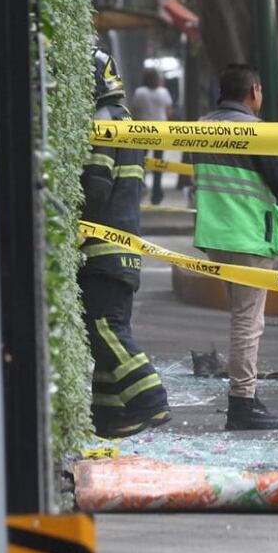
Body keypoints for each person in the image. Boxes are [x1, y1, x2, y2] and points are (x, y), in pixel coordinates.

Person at [193, 64, 278, 430]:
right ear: (253, 91)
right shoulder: (255, 131)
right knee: (247, 322)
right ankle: (243, 403)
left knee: (243, 317)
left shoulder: (201, 127)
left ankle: (248, 395)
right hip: (249, 237)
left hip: (216, 238)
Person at [80, 49, 171, 438]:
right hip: (125, 247)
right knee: (110, 328)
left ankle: (150, 400)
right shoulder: (127, 121)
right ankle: (111, 415)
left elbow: (96, 189)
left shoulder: (102, 122)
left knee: (103, 327)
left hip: (101, 247)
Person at [131, 67, 174, 205]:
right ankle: (157, 193)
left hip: (143, 130)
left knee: (140, 162)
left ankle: (140, 187)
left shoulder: (139, 92)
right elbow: (169, 111)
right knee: (158, 163)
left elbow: (134, 111)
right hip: (160, 131)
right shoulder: (164, 92)